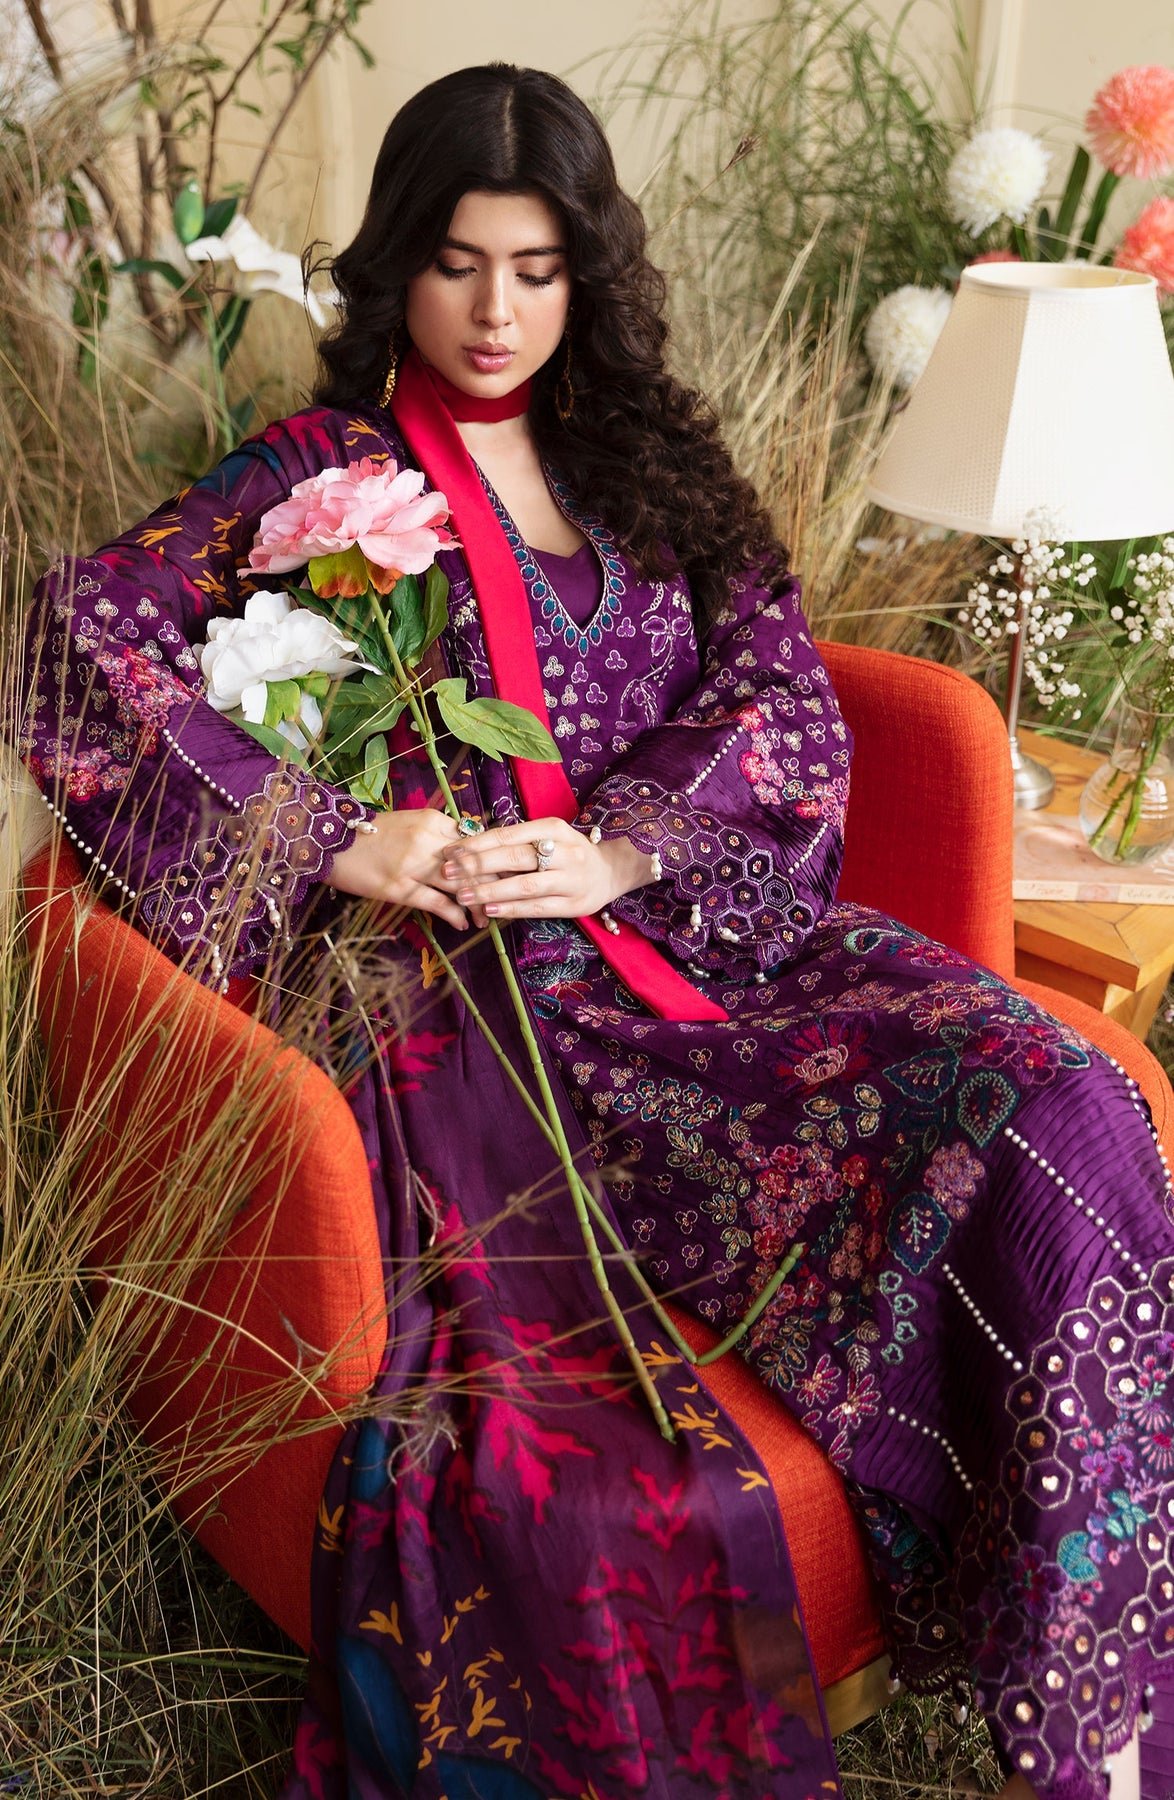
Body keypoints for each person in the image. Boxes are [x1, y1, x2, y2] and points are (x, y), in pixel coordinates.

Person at [22, 61, 1174, 1800]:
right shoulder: (314, 475)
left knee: (1062, 1095)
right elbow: (71, 643)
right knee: (568, 1464)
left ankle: (1086, 1698)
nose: (495, 313)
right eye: (458, 264)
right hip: (490, 1006)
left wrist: (625, 849)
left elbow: (775, 691)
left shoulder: (650, 465)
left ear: (588, 271)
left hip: (712, 945)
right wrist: (338, 836)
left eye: (537, 269)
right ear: (398, 264)